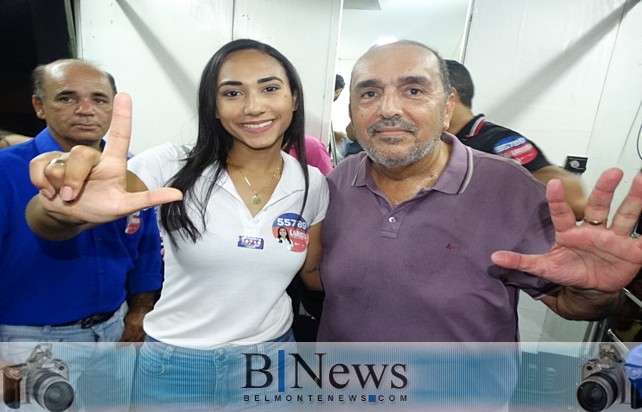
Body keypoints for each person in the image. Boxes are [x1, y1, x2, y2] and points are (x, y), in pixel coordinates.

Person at [24, 39, 328, 411]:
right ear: (213, 107)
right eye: (232, 92)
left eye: (270, 88)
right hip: (177, 365)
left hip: (271, 364)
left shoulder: (312, 183)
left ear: (294, 98)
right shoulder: (172, 165)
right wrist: (62, 209)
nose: (254, 106)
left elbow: (313, 272)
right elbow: (53, 222)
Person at [312, 40, 642, 343]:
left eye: (413, 90)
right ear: (352, 110)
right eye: (369, 93)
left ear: (447, 108)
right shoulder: (338, 182)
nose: (388, 109)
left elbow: (570, 303)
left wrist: (595, 289)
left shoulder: (510, 188)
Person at [0, 59, 162, 411]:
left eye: (100, 99)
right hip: (25, 344)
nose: (86, 109)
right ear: (39, 106)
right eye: (67, 98)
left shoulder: (132, 172)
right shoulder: (5, 171)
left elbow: (146, 247)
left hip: (113, 334)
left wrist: (139, 311)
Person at [445, 59, 587, 220]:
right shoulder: (434, 142)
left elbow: (574, 202)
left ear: (450, 97)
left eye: (417, 92)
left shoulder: (498, 142)